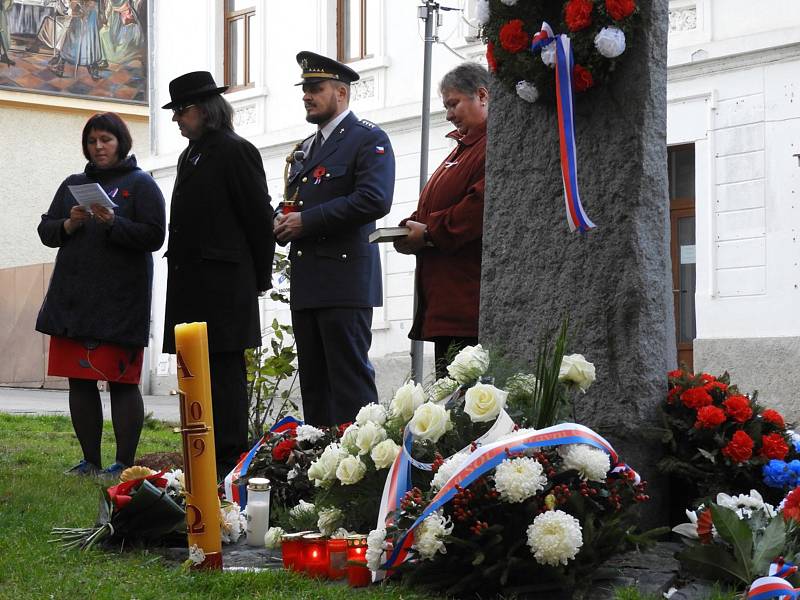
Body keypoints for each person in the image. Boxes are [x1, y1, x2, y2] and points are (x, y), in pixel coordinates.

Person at [35, 112, 166, 477]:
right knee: (80, 381)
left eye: (105, 140)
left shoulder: (141, 185)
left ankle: (124, 462)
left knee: (122, 382)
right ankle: (89, 461)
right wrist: (70, 222)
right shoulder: (73, 183)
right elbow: (47, 230)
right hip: (74, 301)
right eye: (92, 141)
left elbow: (155, 236)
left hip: (121, 302)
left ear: (120, 142)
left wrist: (114, 223)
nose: (98, 147)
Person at [161, 71, 275, 476]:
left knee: (225, 376)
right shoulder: (190, 154)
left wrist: (258, 280)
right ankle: (201, 449)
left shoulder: (234, 151)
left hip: (225, 287)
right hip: (191, 285)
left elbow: (259, 221)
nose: (176, 119)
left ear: (205, 110)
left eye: (181, 110)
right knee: (196, 373)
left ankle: (229, 458)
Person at [274, 51, 395, 427]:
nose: (307, 95)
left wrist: (306, 222)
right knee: (315, 388)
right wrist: (279, 219)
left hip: (345, 283)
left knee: (350, 386)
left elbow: (374, 199)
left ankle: (361, 475)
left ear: (341, 93)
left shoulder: (366, 139)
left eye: (316, 88)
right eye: (305, 89)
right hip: (309, 282)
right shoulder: (306, 149)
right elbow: (298, 204)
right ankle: (321, 471)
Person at [394, 62, 489, 379]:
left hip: (468, 305)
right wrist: (408, 228)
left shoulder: (489, 147)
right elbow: (435, 205)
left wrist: (430, 232)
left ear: (482, 96)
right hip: (446, 305)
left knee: (467, 404)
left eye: (453, 104)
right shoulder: (461, 149)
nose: (448, 114)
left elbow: (478, 207)